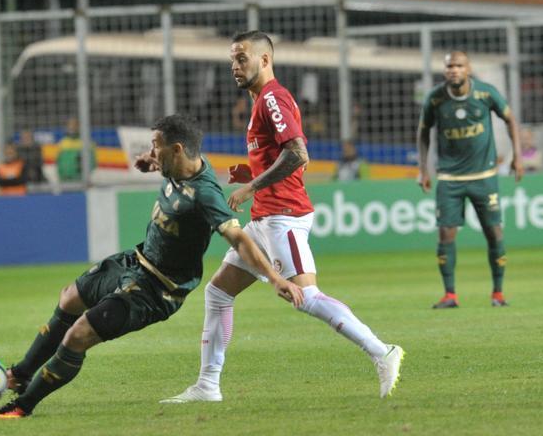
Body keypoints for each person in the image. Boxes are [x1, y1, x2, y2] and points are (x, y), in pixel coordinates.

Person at [0, 114, 304, 419]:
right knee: (69, 298)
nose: (151, 151)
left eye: (155, 146)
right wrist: (152, 163)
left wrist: (275, 278)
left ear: (177, 150)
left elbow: (239, 239)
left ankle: (21, 407)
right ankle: (22, 374)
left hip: (157, 290)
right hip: (136, 261)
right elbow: (164, 167)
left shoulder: (205, 195)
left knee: (79, 335)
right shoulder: (176, 168)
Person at [161, 31, 403, 405]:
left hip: (283, 215)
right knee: (219, 292)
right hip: (265, 217)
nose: (234, 67)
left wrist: (249, 187)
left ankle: (382, 350)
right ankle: (208, 386)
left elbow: (298, 154)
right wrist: (251, 174)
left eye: (242, 59)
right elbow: (281, 156)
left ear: (264, 60)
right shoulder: (260, 101)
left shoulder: (273, 97)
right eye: (232, 60)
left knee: (305, 296)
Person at [417, 50, 523, 309]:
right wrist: (423, 169)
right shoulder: (435, 99)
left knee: (494, 232)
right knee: (446, 234)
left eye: (459, 65)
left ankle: (498, 293)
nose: (454, 70)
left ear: (468, 69)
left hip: (484, 176)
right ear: (445, 70)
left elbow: (510, 119)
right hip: (450, 177)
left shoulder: (486, 93)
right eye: (449, 66)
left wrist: (516, 157)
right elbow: (423, 132)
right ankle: (449, 295)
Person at [55, 116, 96, 182]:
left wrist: (83, 174)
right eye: (70, 125)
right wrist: (61, 177)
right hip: (64, 181)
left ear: (79, 126)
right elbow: (58, 163)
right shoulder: (62, 143)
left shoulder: (87, 142)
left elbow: (93, 163)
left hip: (81, 180)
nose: (72, 127)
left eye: (75, 125)